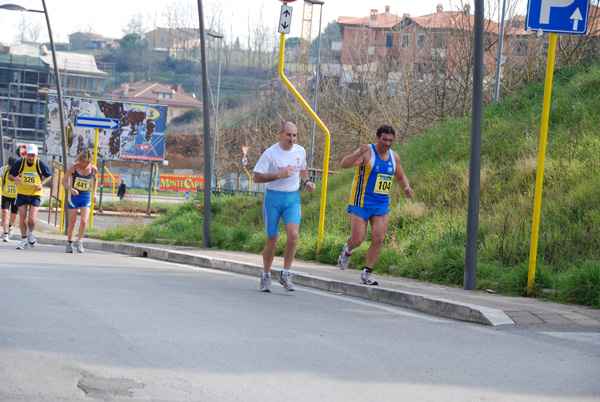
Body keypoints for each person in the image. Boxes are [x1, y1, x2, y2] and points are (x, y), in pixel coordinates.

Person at [337, 125, 414, 285]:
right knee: (358, 239)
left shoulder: (394, 157)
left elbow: (400, 176)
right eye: (384, 139)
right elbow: (344, 164)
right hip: (361, 201)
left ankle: (367, 272)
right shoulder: (368, 153)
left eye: (390, 140)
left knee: (378, 239)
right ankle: (348, 249)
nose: (387, 143)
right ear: (377, 138)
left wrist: (406, 187)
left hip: (381, 203)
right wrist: (358, 152)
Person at [253, 121, 316, 292]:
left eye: (294, 135)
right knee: (272, 241)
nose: (292, 139)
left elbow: (303, 168)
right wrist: (278, 175)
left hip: (292, 198)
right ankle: (266, 275)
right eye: (288, 135)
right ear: (280, 134)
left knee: (293, 235)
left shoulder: (300, 150)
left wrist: (307, 181)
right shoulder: (270, 153)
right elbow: (256, 178)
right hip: (273, 198)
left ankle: (286, 273)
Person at [8, 144, 53, 250]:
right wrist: (15, 179)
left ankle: (31, 233)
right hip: (22, 193)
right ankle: (24, 240)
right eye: (29, 155)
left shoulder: (40, 163)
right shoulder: (20, 162)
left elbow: (49, 175)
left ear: (36, 154)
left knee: (31, 219)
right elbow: (10, 175)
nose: (31, 157)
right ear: (26, 154)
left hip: (34, 194)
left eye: (33, 155)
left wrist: (42, 184)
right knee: (22, 218)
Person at [60, 149, 99, 253]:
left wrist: (94, 193)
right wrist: (71, 189)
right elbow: (63, 181)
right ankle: (69, 242)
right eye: (84, 162)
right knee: (72, 223)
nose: (86, 164)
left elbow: (95, 180)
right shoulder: (73, 168)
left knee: (84, 221)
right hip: (73, 198)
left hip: (85, 197)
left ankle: (79, 240)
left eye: (88, 162)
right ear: (80, 160)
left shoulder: (93, 169)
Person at [1, 155, 19, 242]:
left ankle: (10, 226)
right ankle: (5, 234)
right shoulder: (4, 169)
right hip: (6, 195)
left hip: (16, 196)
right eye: (11, 165)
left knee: (13, 217)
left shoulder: (20, 170)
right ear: (8, 164)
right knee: (4, 213)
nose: (12, 168)